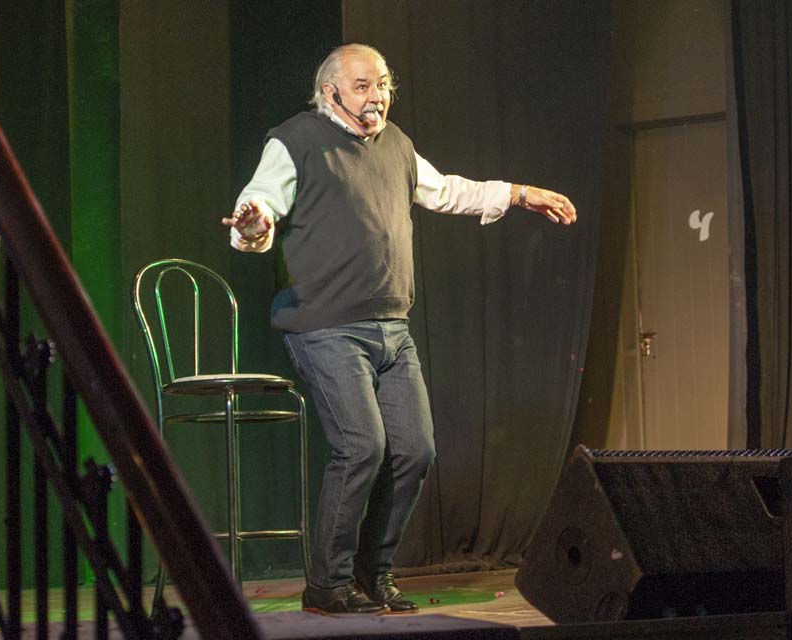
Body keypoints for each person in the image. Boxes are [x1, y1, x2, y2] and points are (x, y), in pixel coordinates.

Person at [222, 43, 576, 615]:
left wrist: (518, 194)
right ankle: (327, 584)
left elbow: (448, 191)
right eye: (363, 86)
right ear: (331, 92)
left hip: (392, 327)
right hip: (325, 326)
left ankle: (371, 571)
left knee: (415, 450)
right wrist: (252, 225)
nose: (377, 96)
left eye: (384, 84)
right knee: (361, 447)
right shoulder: (295, 140)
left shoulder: (396, 145)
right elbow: (258, 206)